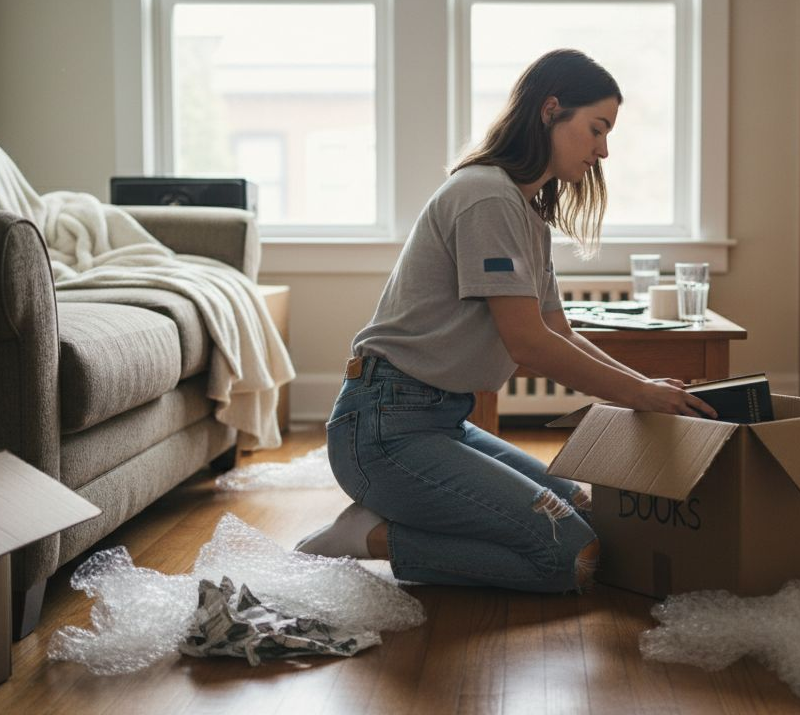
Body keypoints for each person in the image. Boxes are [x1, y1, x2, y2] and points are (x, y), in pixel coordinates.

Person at [295, 48, 716, 593]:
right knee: (574, 556)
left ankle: (412, 522)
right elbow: (530, 345)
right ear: (551, 109)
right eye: (596, 129)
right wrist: (641, 396)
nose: (603, 150)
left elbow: (559, 333)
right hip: (383, 430)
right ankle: (371, 537)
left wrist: (644, 388)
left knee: (590, 515)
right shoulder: (484, 197)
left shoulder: (526, 215)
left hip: (442, 420)